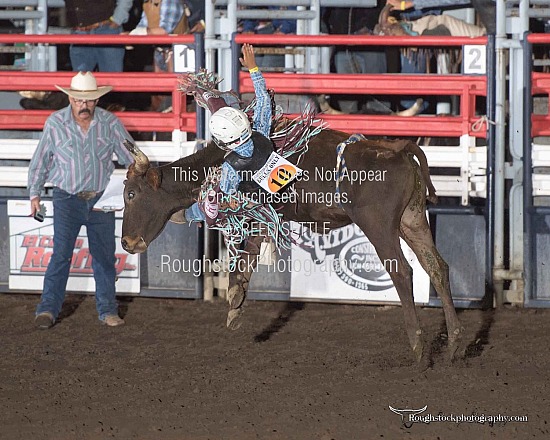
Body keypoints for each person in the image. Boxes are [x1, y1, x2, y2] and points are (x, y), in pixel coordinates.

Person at [28, 72, 135, 329]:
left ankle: (108, 309)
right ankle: (47, 309)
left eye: (88, 101)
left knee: (104, 257)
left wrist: (139, 175)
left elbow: (130, 155)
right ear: (70, 98)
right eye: (78, 100)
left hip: (100, 199)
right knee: (61, 256)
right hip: (66, 197)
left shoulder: (109, 123)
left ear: (96, 100)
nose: (83, 105)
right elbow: (40, 160)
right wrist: (34, 194)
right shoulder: (55, 123)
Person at [184, 43, 272, 223]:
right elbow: (263, 97)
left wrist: (217, 196)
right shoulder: (262, 132)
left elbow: (226, 193)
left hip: (253, 196)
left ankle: (191, 214)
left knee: (211, 198)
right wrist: (253, 67)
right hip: (271, 174)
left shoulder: (230, 166)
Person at [131, 0, 205, 110]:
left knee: (179, 91)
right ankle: (163, 122)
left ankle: (177, 120)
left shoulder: (171, 2)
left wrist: (136, 33)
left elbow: (164, 30)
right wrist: (134, 34)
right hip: (163, 49)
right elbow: (144, 25)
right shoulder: (149, 2)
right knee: (159, 92)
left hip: (180, 49)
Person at [323, 4, 390, 114]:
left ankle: (379, 127)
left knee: (377, 92)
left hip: (370, 43)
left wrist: (370, 27)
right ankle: (350, 127)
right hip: (342, 42)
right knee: (346, 96)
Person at [65, 0, 134, 72]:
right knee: (80, 79)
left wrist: (117, 19)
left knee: (109, 79)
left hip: (105, 30)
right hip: (81, 32)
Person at [387, 0, 495, 34]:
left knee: (444, 22)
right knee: (444, 21)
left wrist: (410, 3)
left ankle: (411, 29)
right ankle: (411, 28)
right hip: (495, 34)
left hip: (496, 38)